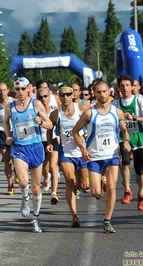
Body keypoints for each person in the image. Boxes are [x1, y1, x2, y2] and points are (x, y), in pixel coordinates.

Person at [72, 80, 131, 233]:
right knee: (95, 192)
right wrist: (83, 149)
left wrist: (126, 142)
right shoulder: (89, 113)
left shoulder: (117, 112)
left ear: (109, 92)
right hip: (95, 156)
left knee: (112, 188)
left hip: (111, 155)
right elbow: (75, 131)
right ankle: (100, 186)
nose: (102, 95)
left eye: (104, 91)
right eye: (99, 92)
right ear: (95, 94)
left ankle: (107, 220)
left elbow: (125, 131)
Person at [3, 77, 52, 233]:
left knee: (36, 188)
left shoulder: (36, 104)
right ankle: (25, 197)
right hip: (19, 149)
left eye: (23, 89)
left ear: (29, 88)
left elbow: (50, 124)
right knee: (24, 182)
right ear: (14, 90)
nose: (21, 92)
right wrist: (7, 135)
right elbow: (5, 122)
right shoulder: (10, 107)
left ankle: (36, 218)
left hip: (36, 147)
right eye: (17, 89)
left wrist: (41, 123)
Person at [113, 75, 143, 211]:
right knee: (124, 162)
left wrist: (135, 118)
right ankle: (127, 190)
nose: (125, 88)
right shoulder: (115, 104)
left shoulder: (139, 101)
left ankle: (141, 193)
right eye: (122, 86)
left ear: (132, 87)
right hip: (122, 138)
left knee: (139, 169)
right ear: (118, 88)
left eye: (127, 85)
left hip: (138, 139)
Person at [49, 84, 88, 227]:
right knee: (69, 181)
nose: (65, 97)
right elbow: (49, 127)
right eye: (62, 94)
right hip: (66, 152)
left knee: (83, 184)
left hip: (81, 152)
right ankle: (74, 215)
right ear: (58, 96)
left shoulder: (82, 109)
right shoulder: (55, 114)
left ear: (73, 95)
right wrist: (50, 142)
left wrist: (87, 138)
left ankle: (80, 186)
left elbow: (92, 124)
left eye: (68, 94)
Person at [0, 82, 16, 194]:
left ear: (8, 90)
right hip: (2, 134)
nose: (2, 92)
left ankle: (18, 172)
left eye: (4, 90)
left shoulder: (14, 103)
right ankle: (10, 185)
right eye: (0, 90)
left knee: (16, 159)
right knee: (8, 162)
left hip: (14, 134)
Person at [36, 81, 59, 204]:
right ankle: (46, 177)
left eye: (45, 96)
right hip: (41, 140)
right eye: (40, 97)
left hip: (53, 139)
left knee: (52, 167)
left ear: (49, 98)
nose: (43, 99)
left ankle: (54, 193)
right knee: (45, 169)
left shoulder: (54, 110)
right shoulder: (35, 110)